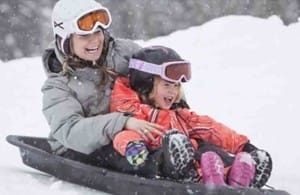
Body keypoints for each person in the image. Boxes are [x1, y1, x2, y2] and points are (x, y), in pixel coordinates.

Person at [109, 46, 273, 188]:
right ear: (146, 84)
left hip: (193, 159)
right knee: (168, 151)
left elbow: (211, 128)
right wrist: (133, 145)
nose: (173, 92)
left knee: (208, 151)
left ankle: (239, 176)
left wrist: (243, 146)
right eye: (166, 85)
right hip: (161, 163)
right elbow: (122, 135)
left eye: (176, 86)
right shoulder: (134, 116)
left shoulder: (180, 115)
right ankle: (194, 175)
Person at [41, 0, 163, 167]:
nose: (94, 41)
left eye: (98, 32)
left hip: (135, 133)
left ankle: (199, 155)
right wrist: (122, 122)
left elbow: (161, 80)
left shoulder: (125, 53)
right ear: (65, 40)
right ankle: (164, 164)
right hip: (80, 149)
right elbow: (70, 131)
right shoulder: (57, 86)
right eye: (84, 35)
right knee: (133, 156)